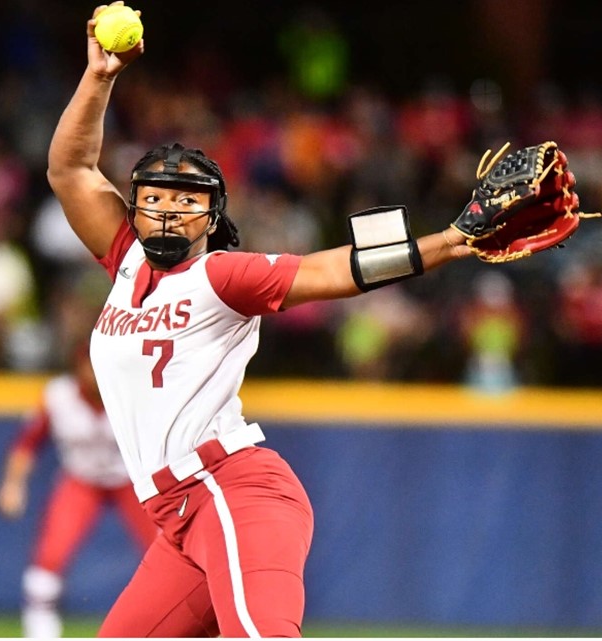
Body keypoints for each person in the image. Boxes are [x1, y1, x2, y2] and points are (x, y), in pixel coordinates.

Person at [45, 4, 526, 636]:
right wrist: (100, 78)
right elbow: (70, 168)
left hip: (231, 492)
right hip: (181, 516)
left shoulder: (220, 275)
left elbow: (331, 271)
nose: (166, 211)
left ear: (212, 218)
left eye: (186, 200)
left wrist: (448, 240)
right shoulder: (127, 262)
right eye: (153, 198)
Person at [0, 344, 157, 638]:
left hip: (132, 481)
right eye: (90, 365)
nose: (96, 373)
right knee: (50, 554)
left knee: (167, 551)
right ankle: (40, 631)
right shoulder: (59, 396)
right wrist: (12, 484)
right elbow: (27, 443)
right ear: (78, 366)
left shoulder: (135, 392)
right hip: (81, 478)